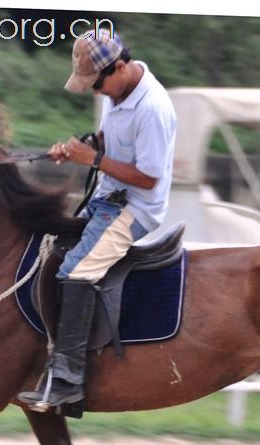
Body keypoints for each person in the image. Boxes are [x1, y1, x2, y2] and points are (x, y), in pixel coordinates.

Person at [18, 29, 177, 412]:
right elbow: (107, 141)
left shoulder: (153, 109)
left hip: (135, 208)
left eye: (97, 83)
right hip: (108, 197)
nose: (95, 91)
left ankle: (69, 380)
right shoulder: (115, 91)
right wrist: (79, 148)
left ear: (119, 67)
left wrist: (91, 161)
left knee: (77, 272)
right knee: (51, 251)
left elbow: (149, 177)